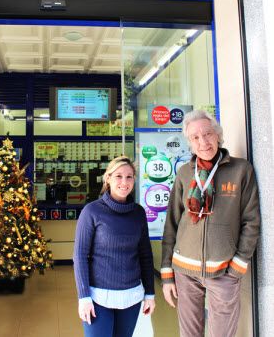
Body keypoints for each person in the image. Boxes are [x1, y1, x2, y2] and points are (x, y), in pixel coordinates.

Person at [161, 109, 260, 337]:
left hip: (224, 271)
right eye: (195, 137)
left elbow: (251, 221)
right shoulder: (185, 173)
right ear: (190, 143)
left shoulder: (241, 170)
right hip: (184, 271)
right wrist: (167, 273)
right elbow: (172, 223)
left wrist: (238, 265)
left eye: (208, 134)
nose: (203, 142)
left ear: (218, 135)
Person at [74, 155, 155, 337]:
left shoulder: (138, 213)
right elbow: (80, 257)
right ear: (107, 178)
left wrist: (150, 293)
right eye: (118, 176)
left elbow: (145, 256)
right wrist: (84, 297)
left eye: (129, 177)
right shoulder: (92, 211)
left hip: (131, 297)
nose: (124, 182)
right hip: (97, 298)